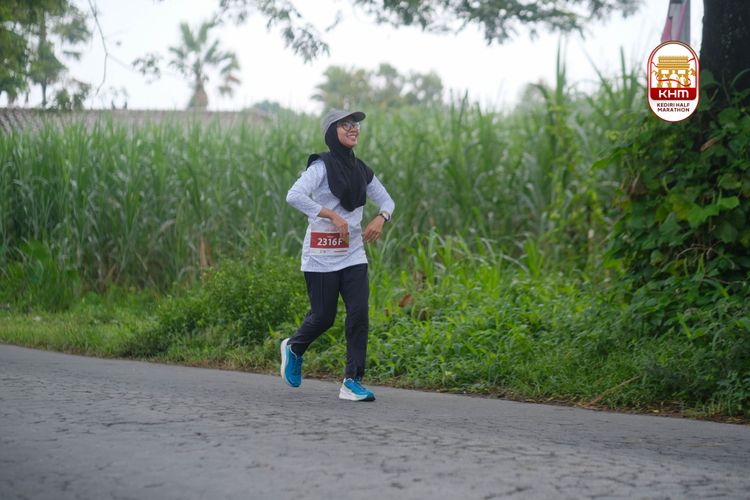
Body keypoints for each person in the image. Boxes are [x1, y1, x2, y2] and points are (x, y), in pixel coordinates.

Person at [282, 109, 395, 401]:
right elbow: (294, 195)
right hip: (321, 253)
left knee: (359, 314)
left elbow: (387, 201)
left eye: (355, 124)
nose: (353, 128)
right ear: (332, 132)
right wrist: (331, 215)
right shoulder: (320, 167)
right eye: (345, 124)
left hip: (353, 253)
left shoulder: (362, 170)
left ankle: (352, 381)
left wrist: (381, 217)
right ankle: (295, 347)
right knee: (323, 317)